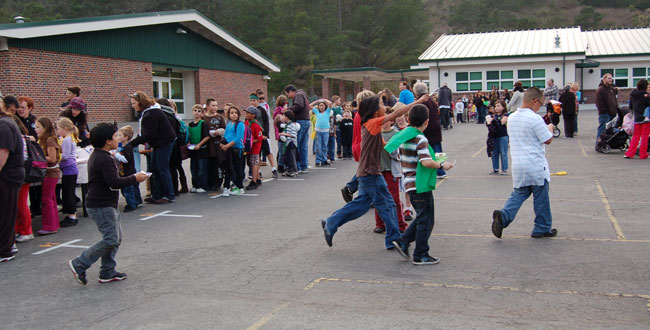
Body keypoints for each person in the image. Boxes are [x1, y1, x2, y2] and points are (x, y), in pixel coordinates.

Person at [320, 93, 428, 250]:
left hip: (368, 172)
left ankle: (331, 223)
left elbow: (386, 145)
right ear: (375, 110)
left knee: (363, 205)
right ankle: (394, 239)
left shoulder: (372, 127)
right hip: (370, 173)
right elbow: (396, 113)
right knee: (388, 204)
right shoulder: (372, 123)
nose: (385, 107)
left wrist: (405, 146)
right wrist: (418, 102)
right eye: (381, 104)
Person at [68, 123, 147, 285]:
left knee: (115, 238)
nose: (117, 138)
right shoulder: (104, 159)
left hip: (105, 203)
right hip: (100, 205)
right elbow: (114, 182)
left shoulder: (101, 155)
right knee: (111, 239)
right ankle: (80, 263)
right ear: (107, 141)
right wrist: (135, 178)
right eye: (115, 136)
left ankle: (107, 271)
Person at [387, 104, 454, 265]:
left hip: (409, 182)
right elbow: (425, 162)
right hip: (419, 183)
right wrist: (442, 165)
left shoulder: (403, 136)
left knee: (425, 216)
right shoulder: (420, 138)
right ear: (427, 122)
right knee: (426, 219)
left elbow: (398, 154)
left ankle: (404, 241)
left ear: (409, 119)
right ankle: (421, 253)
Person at [491, 87, 557, 239]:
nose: (540, 106)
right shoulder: (535, 118)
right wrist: (550, 128)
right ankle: (542, 227)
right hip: (535, 164)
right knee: (541, 198)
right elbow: (548, 139)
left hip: (519, 165)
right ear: (535, 101)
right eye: (540, 103)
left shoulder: (512, 117)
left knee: (519, 193)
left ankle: (504, 216)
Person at [128, 91, 176, 204]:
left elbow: (148, 135)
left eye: (134, 103)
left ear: (141, 102)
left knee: (162, 169)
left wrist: (131, 144)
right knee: (154, 168)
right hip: (159, 143)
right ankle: (157, 194)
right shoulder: (149, 112)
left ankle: (169, 195)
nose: (132, 106)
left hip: (164, 142)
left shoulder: (151, 114)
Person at [373, 106, 407, 234]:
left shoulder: (396, 134)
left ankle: (400, 224)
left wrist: (390, 147)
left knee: (394, 199)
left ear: (391, 120)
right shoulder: (375, 133)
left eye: (386, 119)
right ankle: (380, 223)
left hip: (391, 170)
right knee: (378, 198)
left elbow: (399, 153)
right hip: (377, 170)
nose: (383, 121)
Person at [0, 105, 26, 262]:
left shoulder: (4, 125)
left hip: (8, 175)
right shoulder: (6, 123)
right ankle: (7, 245)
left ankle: (4, 250)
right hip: (10, 174)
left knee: (4, 213)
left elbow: (2, 154)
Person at [415, 82, 447, 179]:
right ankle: (442, 170)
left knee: (432, 150)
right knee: (438, 149)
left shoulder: (423, 101)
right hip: (436, 126)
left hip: (428, 128)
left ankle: (440, 171)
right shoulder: (431, 100)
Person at [35, 117, 61, 236]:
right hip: (50, 172)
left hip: (50, 173)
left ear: (45, 128)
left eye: (38, 127)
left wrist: (36, 158)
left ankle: (49, 226)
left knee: (46, 199)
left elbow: (52, 158)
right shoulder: (44, 140)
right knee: (51, 199)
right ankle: (54, 224)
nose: (36, 130)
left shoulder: (50, 140)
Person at [57, 118, 80, 227]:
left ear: (65, 129)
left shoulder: (66, 140)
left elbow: (65, 156)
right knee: (68, 192)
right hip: (70, 169)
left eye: (59, 129)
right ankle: (71, 214)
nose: (57, 131)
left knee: (68, 193)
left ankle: (72, 215)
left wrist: (58, 154)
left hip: (69, 169)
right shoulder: (70, 138)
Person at [249, 93, 278, 178]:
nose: (252, 102)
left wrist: (266, 134)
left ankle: (273, 168)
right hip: (254, 136)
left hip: (263, 135)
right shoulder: (249, 111)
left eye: (254, 100)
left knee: (268, 152)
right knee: (257, 153)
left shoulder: (261, 110)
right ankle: (258, 170)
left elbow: (266, 122)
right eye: (250, 101)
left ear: (257, 101)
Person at [284, 85, 311, 173]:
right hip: (306, 121)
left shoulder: (298, 95)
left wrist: (288, 110)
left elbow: (298, 106)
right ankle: (304, 166)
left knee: (297, 144)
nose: (288, 96)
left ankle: (298, 166)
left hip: (300, 121)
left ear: (291, 91)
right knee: (303, 145)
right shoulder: (303, 94)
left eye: (287, 93)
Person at [202, 98, 227, 190]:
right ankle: (209, 183)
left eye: (216, 105)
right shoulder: (203, 118)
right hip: (207, 146)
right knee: (209, 166)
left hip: (217, 146)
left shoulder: (219, 117)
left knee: (218, 166)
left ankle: (217, 183)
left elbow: (224, 129)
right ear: (207, 106)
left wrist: (219, 131)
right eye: (213, 105)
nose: (215, 107)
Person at [221, 106, 246, 197]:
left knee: (237, 168)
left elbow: (238, 138)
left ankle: (240, 187)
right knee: (228, 169)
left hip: (237, 150)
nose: (234, 114)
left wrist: (227, 145)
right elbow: (225, 136)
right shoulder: (229, 124)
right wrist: (222, 144)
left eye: (235, 113)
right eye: (231, 113)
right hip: (228, 150)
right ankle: (227, 187)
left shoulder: (240, 124)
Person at [116, 126, 142, 213]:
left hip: (128, 172)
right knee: (133, 188)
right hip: (126, 172)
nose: (118, 137)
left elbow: (126, 159)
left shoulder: (127, 148)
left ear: (126, 137)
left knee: (128, 190)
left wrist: (116, 155)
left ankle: (132, 204)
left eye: (120, 135)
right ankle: (137, 201)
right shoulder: (121, 146)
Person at [624, 79, 650, 159]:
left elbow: (631, 107)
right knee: (645, 136)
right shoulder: (646, 95)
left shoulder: (633, 95)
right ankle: (643, 153)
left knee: (635, 136)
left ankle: (630, 153)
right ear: (645, 86)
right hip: (646, 118)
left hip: (637, 118)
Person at [188, 104, 211, 192]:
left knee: (201, 169)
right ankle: (195, 185)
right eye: (195, 110)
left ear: (202, 113)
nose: (197, 112)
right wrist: (189, 143)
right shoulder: (190, 124)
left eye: (199, 111)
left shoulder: (203, 123)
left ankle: (202, 186)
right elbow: (189, 136)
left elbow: (207, 137)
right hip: (193, 150)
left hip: (202, 150)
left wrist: (199, 145)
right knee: (193, 169)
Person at [486, 100, 509, 175]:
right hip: (494, 136)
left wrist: (493, 121)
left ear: (503, 107)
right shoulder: (493, 116)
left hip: (503, 136)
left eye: (498, 106)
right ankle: (495, 168)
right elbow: (489, 124)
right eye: (495, 106)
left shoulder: (505, 115)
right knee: (494, 153)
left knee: (503, 153)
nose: (496, 108)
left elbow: (502, 122)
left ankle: (504, 169)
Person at [595, 73, 618, 148]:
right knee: (602, 129)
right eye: (608, 78)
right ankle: (598, 144)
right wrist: (604, 111)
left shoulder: (611, 89)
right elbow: (599, 103)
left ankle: (608, 143)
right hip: (605, 114)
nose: (610, 80)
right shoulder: (601, 89)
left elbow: (614, 99)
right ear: (604, 79)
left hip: (612, 113)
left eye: (611, 78)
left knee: (610, 130)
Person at [244, 106, 264, 190]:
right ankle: (258, 179)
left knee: (254, 164)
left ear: (253, 115)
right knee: (251, 163)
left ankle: (254, 181)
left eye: (248, 113)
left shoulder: (255, 125)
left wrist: (251, 142)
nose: (246, 114)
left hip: (255, 148)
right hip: (250, 148)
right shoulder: (248, 123)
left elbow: (260, 138)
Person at [310, 99, 333, 166]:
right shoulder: (317, 112)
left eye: (323, 105)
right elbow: (310, 105)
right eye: (320, 106)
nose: (321, 107)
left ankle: (324, 159)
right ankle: (318, 160)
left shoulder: (327, 112)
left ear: (325, 106)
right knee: (318, 146)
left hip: (325, 131)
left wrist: (324, 100)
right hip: (318, 131)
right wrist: (317, 101)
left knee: (324, 146)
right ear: (318, 107)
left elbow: (330, 103)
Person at [279, 110, 300, 176]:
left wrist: (284, 134)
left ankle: (295, 170)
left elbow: (293, 134)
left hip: (291, 144)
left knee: (292, 157)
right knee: (287, 157)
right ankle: (288, 170)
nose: (283, 117)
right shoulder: (286, 125)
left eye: (284, 116)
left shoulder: (291, 125)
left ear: (287, 117)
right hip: (287, 144)